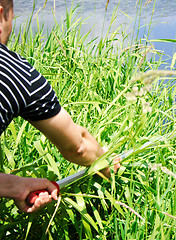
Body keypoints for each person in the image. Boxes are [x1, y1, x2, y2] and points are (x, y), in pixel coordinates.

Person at [0, 0, 118, 213]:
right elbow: (78, 148)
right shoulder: (17, 73)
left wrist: (15, 186)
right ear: (0, 15)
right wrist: (104, 161)